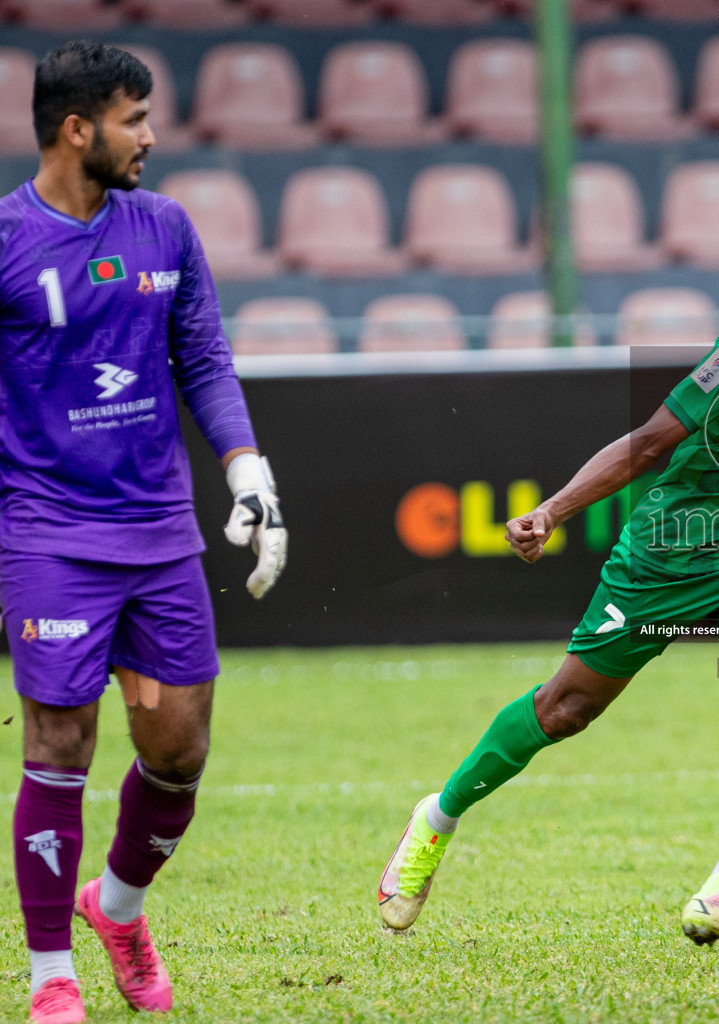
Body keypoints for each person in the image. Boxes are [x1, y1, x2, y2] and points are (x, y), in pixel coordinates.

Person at [376, 187, 719, 952]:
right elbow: (648, 442)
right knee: (566, 710)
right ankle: (436, 819)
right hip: (671, 555)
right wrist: (554, 511)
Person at [4, 43, 287, 1024]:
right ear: (77, 128)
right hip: (48, 534)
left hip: (160, 533)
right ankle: (52, 979)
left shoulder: (164, 227)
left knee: (178, 751)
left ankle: (116, 908)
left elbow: (203, 354)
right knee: (59, 743)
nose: (151, 137)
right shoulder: (4, 241)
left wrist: (245, 466)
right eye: (134, 119)